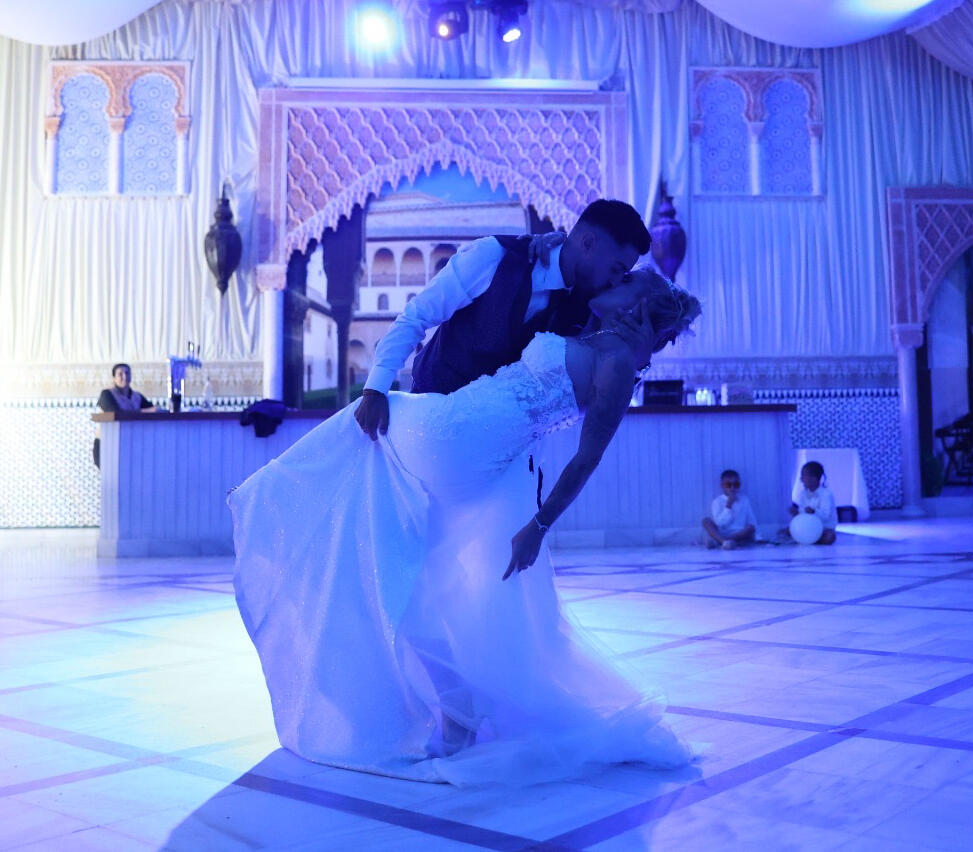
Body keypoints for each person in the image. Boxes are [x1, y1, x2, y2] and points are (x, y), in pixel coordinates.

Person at [229, 267, 701, 786]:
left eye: (626, 281)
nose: (614, 280)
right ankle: (457, 705)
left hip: (464, 445)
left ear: (637, 304)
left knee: (360, 457)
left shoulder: (617, 362)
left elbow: (587, 459)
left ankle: (265, 506)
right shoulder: (591, 332)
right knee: (408, 578)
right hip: (455, 419)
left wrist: (539, 525)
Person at [354, 199, 655, 439]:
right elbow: (416, 316)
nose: (615, 281)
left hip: (502, 444)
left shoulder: (588, 307)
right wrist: (376, 388)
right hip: (431, 422)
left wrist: (639, 359)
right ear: (587, 243)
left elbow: (597, 393)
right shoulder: (493, 256)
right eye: (616, 269)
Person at [93, 363, 158, 467]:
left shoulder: (137, 396)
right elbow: (116, 414)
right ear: (114, 378)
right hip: (106, 443)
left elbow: (152, 410)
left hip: (128, 444)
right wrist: (143, 412)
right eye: (120, 374)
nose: (125, 376)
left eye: (127, 373)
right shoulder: (106, 394)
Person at [702, 469, 757, 550]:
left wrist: (758, 538)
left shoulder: (744, 500)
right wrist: (728, 506)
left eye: (736, 485)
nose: (732, 488)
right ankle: (724, 542)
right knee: (706, 521)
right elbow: (719, 523)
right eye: (728, 485)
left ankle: (720, 542)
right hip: (720, 533)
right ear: (722, 485)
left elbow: (751, 520)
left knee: (751, 528)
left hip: (738, 533)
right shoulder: (717, 501)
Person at [789, 460, 837, 544]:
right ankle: (810, 539)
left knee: (829, 537)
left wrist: (814, 512)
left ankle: (813, 539)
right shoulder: (803, 494)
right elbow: (802, 513)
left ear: (814, 478)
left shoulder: (826, 494)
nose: (801, 479)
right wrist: (797, 512)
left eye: (803, 476)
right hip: (807, 527)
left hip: (824, 528)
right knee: (783, 531)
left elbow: (826, 516)